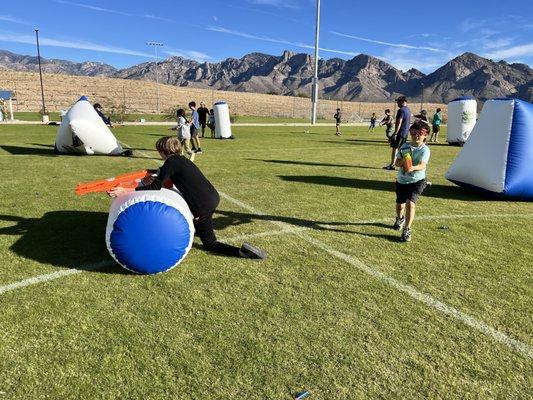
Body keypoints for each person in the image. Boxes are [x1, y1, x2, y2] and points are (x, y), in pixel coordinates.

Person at [108, 136, 266, 259]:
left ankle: (242, 252)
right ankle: (199, 226)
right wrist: (153, 173)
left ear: (162, 151)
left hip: (202, 206)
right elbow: (165, 175)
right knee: (198, 226)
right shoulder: (179, 160)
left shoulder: (170, 163)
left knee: (210, 243)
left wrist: (125, 191)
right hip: (212, 197)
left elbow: (156, 186)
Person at [392, 121, 431, 242]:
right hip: (402, 180)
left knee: (410, 204)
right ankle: (400, 218)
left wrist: (412, 168)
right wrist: (405, 162)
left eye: (420, 133)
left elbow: (422, 165)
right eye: (413, 132)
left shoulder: (425, 150)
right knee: (400, 205)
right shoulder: (404, 147)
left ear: (425, 135)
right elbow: (397, 162)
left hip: (417, 181)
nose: (416, 135)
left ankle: (407, 229)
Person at [384, 96, 411, 170]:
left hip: (400, 132)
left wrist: (395, 133)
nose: (397, 103)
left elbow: (399, 122)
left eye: (398, 101)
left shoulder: (401, 110)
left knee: (395, 148)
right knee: (402, 149)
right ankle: (405, 165)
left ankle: (392, 165)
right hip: (405, 133)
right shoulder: (408, 110)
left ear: (403, 101)